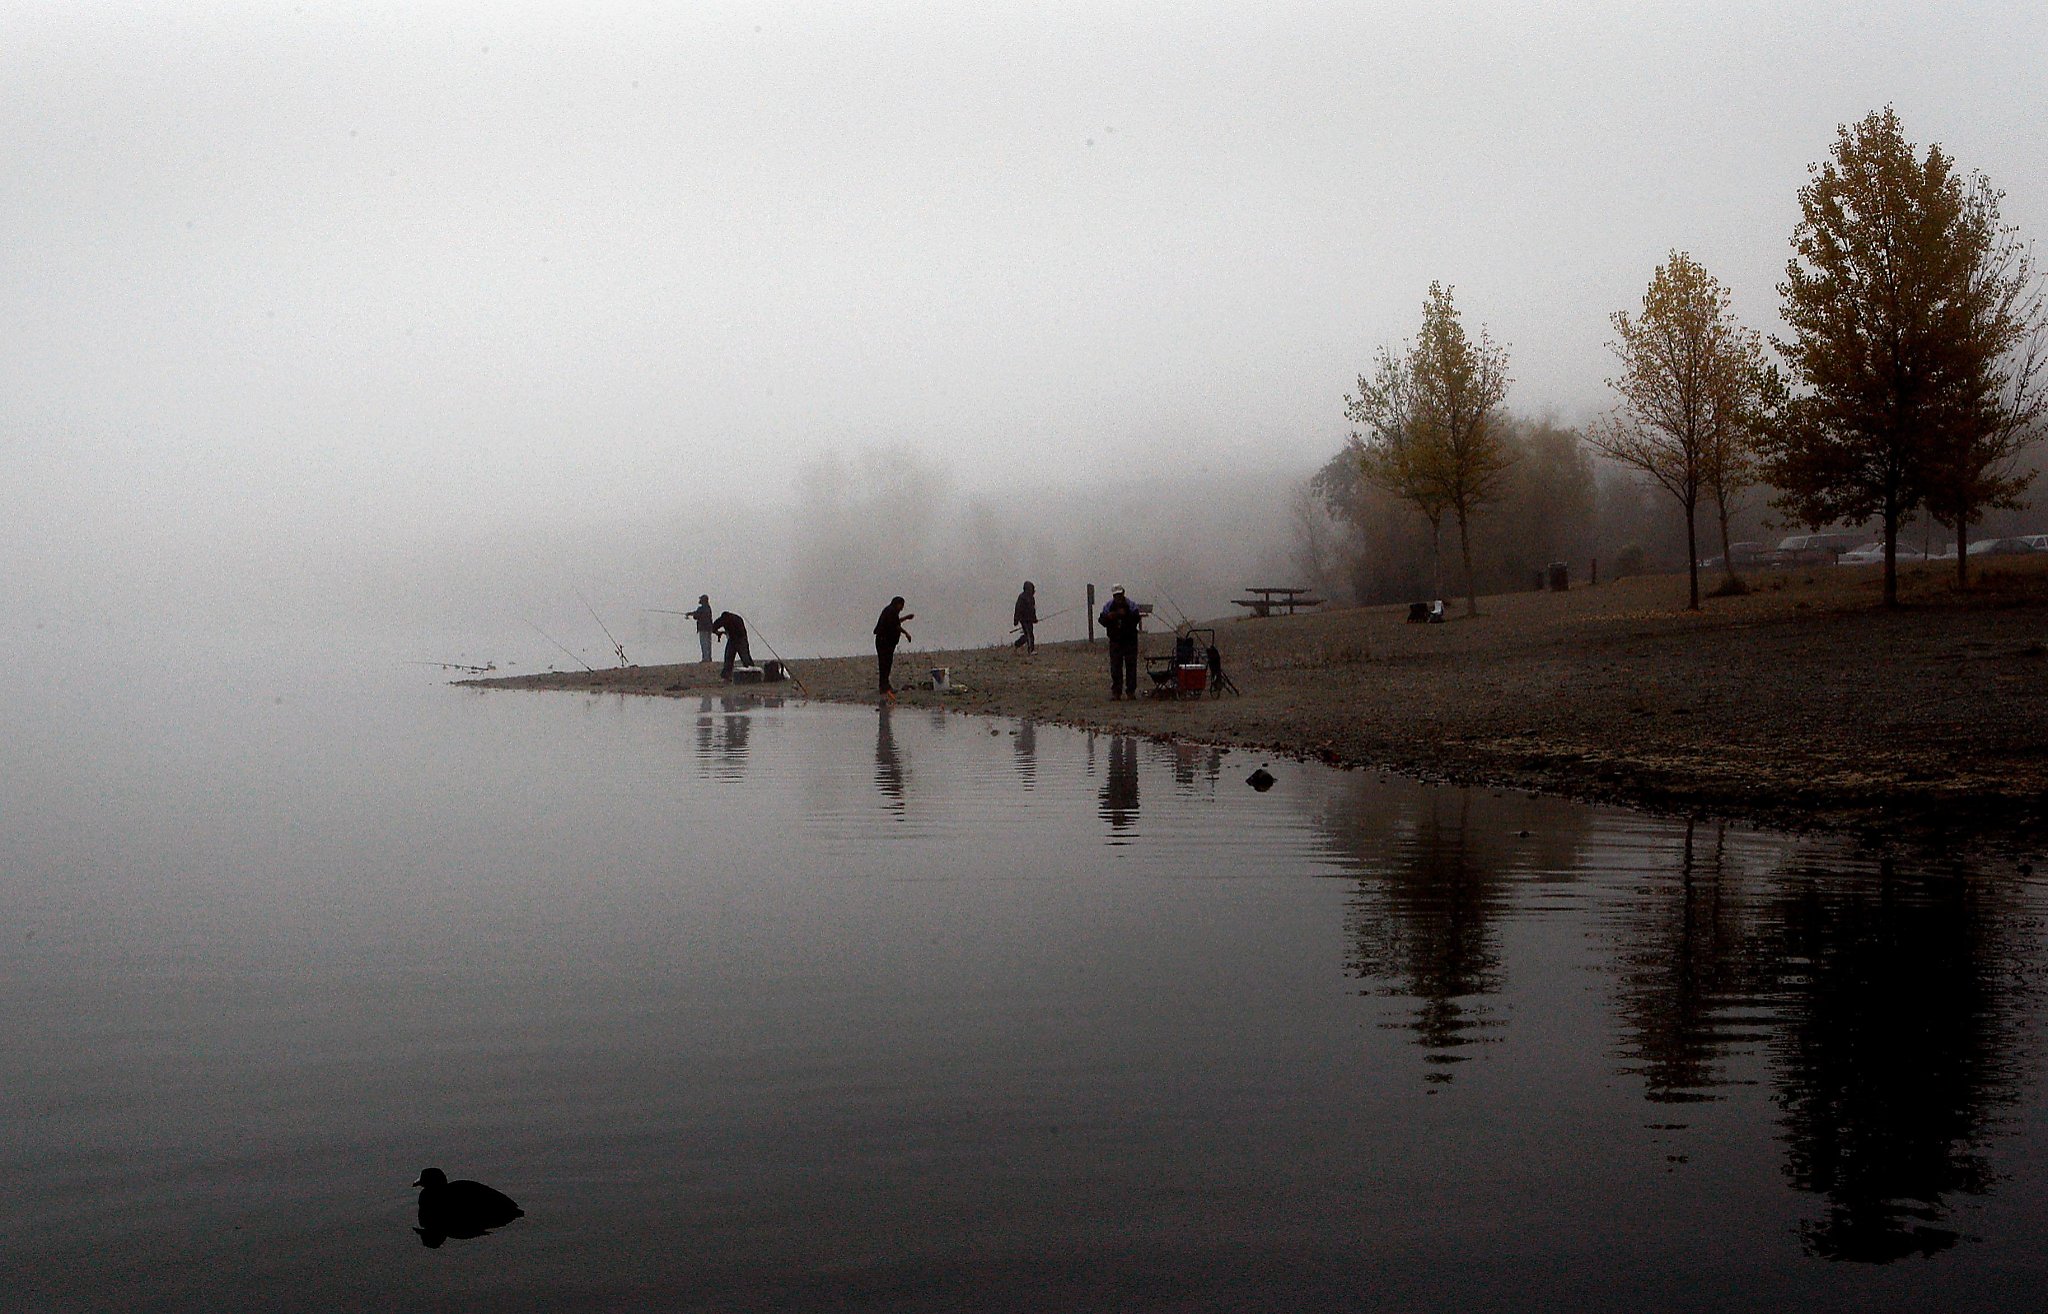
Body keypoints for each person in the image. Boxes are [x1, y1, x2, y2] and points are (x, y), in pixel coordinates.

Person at [1098, 584, 1143, 700]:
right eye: (1116, 595)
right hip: (1115, 640)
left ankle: (1131, 692)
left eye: (1120, 594)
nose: (1118, 597)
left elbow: (1136, 618)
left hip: (1130, 640)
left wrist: (1125, 616)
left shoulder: (1131, 605)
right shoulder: (1108, 606)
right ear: (1114, 595)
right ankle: (1116, 692)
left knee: (1131, 666)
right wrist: (1109, 617)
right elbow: (1101, 620)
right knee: (1115, 667)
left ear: (1123, 593)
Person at [874, 596, 914, 701]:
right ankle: (884, 687)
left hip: (885, 642)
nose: (902, 608)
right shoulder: (891, 611)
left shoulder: (890, 611)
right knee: (885, 664)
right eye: (902, 605)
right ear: (897, 604)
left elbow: (896, 622)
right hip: (884, 642)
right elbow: (896, 626)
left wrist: (906, 618)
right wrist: (907, 634)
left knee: (886, 664)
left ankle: (885, 686)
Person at [712, 611, 753, 680]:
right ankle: (752, 673)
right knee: (745, 658)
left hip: (735, 639)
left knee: (729, 658)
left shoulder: (723, 619)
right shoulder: (738, 618)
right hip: (741, 638)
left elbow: (713, 627)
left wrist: (718, 632)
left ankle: (726, 676)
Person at [687, 594, 715, 664]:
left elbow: (696, 616)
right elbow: (697, 614)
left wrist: (690, 614)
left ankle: (705, 659)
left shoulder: (701, 608)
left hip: (703, 628)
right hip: (709, 628)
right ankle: (708, 658)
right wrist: (691, 614)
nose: (699, 601)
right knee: (708, 644)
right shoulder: (708, 608)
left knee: (704, 643)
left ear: (703, 601)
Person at [1012, 581, 1038, 653]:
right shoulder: (1022, 597)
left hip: (1029, 619)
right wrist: (1016, 620)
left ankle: (1017, 644)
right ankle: (1031, 650)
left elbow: (1033, 610)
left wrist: (1034, 619)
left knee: (1028, 635)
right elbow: (1018, 608)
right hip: (1023, 619)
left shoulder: (1032, 598)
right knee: (1029, 634)